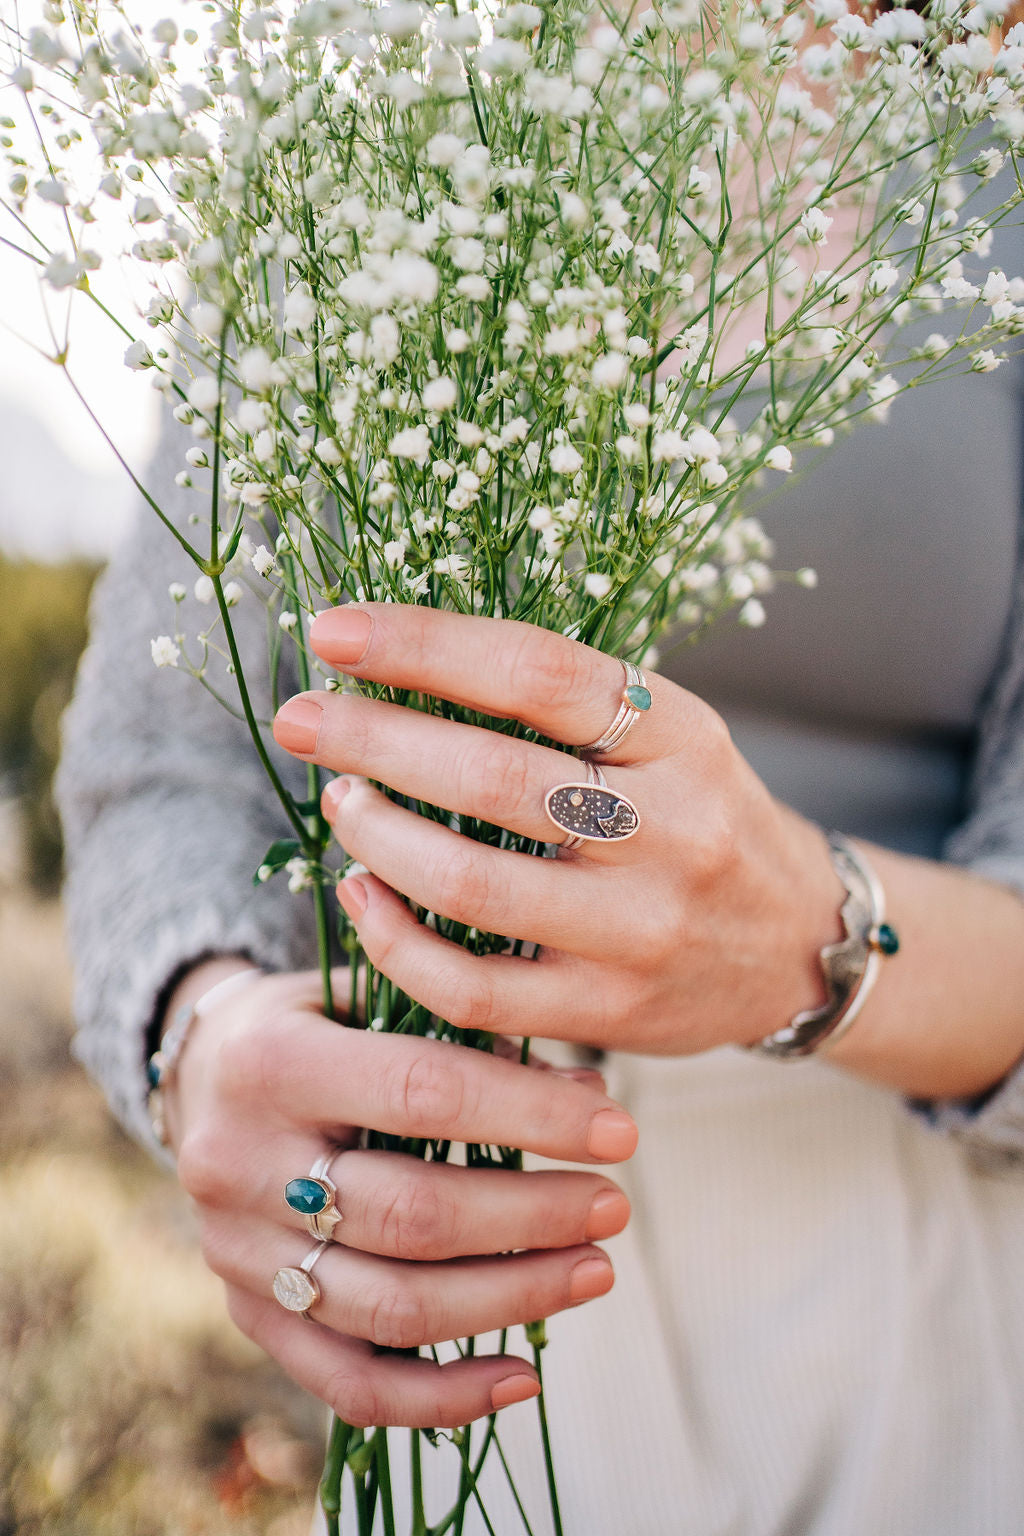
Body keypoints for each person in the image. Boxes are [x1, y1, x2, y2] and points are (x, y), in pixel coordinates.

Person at [57, 220, 1024, 1530]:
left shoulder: (989, 165)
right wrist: (203, 1032)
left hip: (932, 1293)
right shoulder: (349, 131)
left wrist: (810, 929)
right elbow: (158, 765)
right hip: (445, 1258)